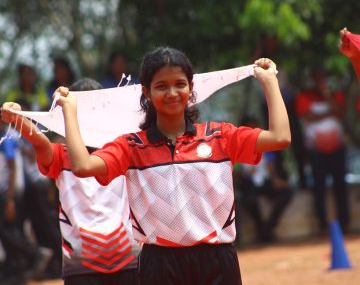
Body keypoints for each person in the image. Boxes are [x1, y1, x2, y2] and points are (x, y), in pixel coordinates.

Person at [50, 47, 290, 285]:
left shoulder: (220, 136)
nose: (172, 93)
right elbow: (82, 166)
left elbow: (280, 137)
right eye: (162, 86)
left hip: (218, 260)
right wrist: (70, 112)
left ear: (191, 87)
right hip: (159, 264)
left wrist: (270, 82)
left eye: (180, 84)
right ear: (146, 92)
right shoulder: (131, 146)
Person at [1, 78, 140, 285]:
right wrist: (18, 119)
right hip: (80, 266)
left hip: (129, 261)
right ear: (66, 116)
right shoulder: (61, 155)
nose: (89, 119)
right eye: (78, 112)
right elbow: (40, 143)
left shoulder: (122, 151)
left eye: (95, 110)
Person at [295, 68, 350, 234]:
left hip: (337, 148)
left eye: (323, 78)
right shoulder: (304, 97)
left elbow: (340, 113)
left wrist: (327, 96)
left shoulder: (336, 95)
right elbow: (308, 117)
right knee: (319, 186)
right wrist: (329, 112)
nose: (321, 82)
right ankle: (322, 225)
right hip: (316, 149)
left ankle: (344, 222)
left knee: (340, 185)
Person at [0, 120, 53, 284]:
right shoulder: (9, 137)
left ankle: (35, 254)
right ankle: (17, 271)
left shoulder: (6, 139)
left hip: (11, 192)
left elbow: (12, 165)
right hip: (14, 190)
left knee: (7, 231)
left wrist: (9, 197)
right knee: (13, 229)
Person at [233, 116, 293, 244]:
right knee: (250, 201)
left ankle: (268, 228)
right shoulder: (236, 148)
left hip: (266, 181)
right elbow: (235, 170)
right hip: (248, 183)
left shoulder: (265, 145)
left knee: (286, 192)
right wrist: (243, 173)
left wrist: (276, 179)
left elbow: (271, 166)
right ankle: (262, 230)